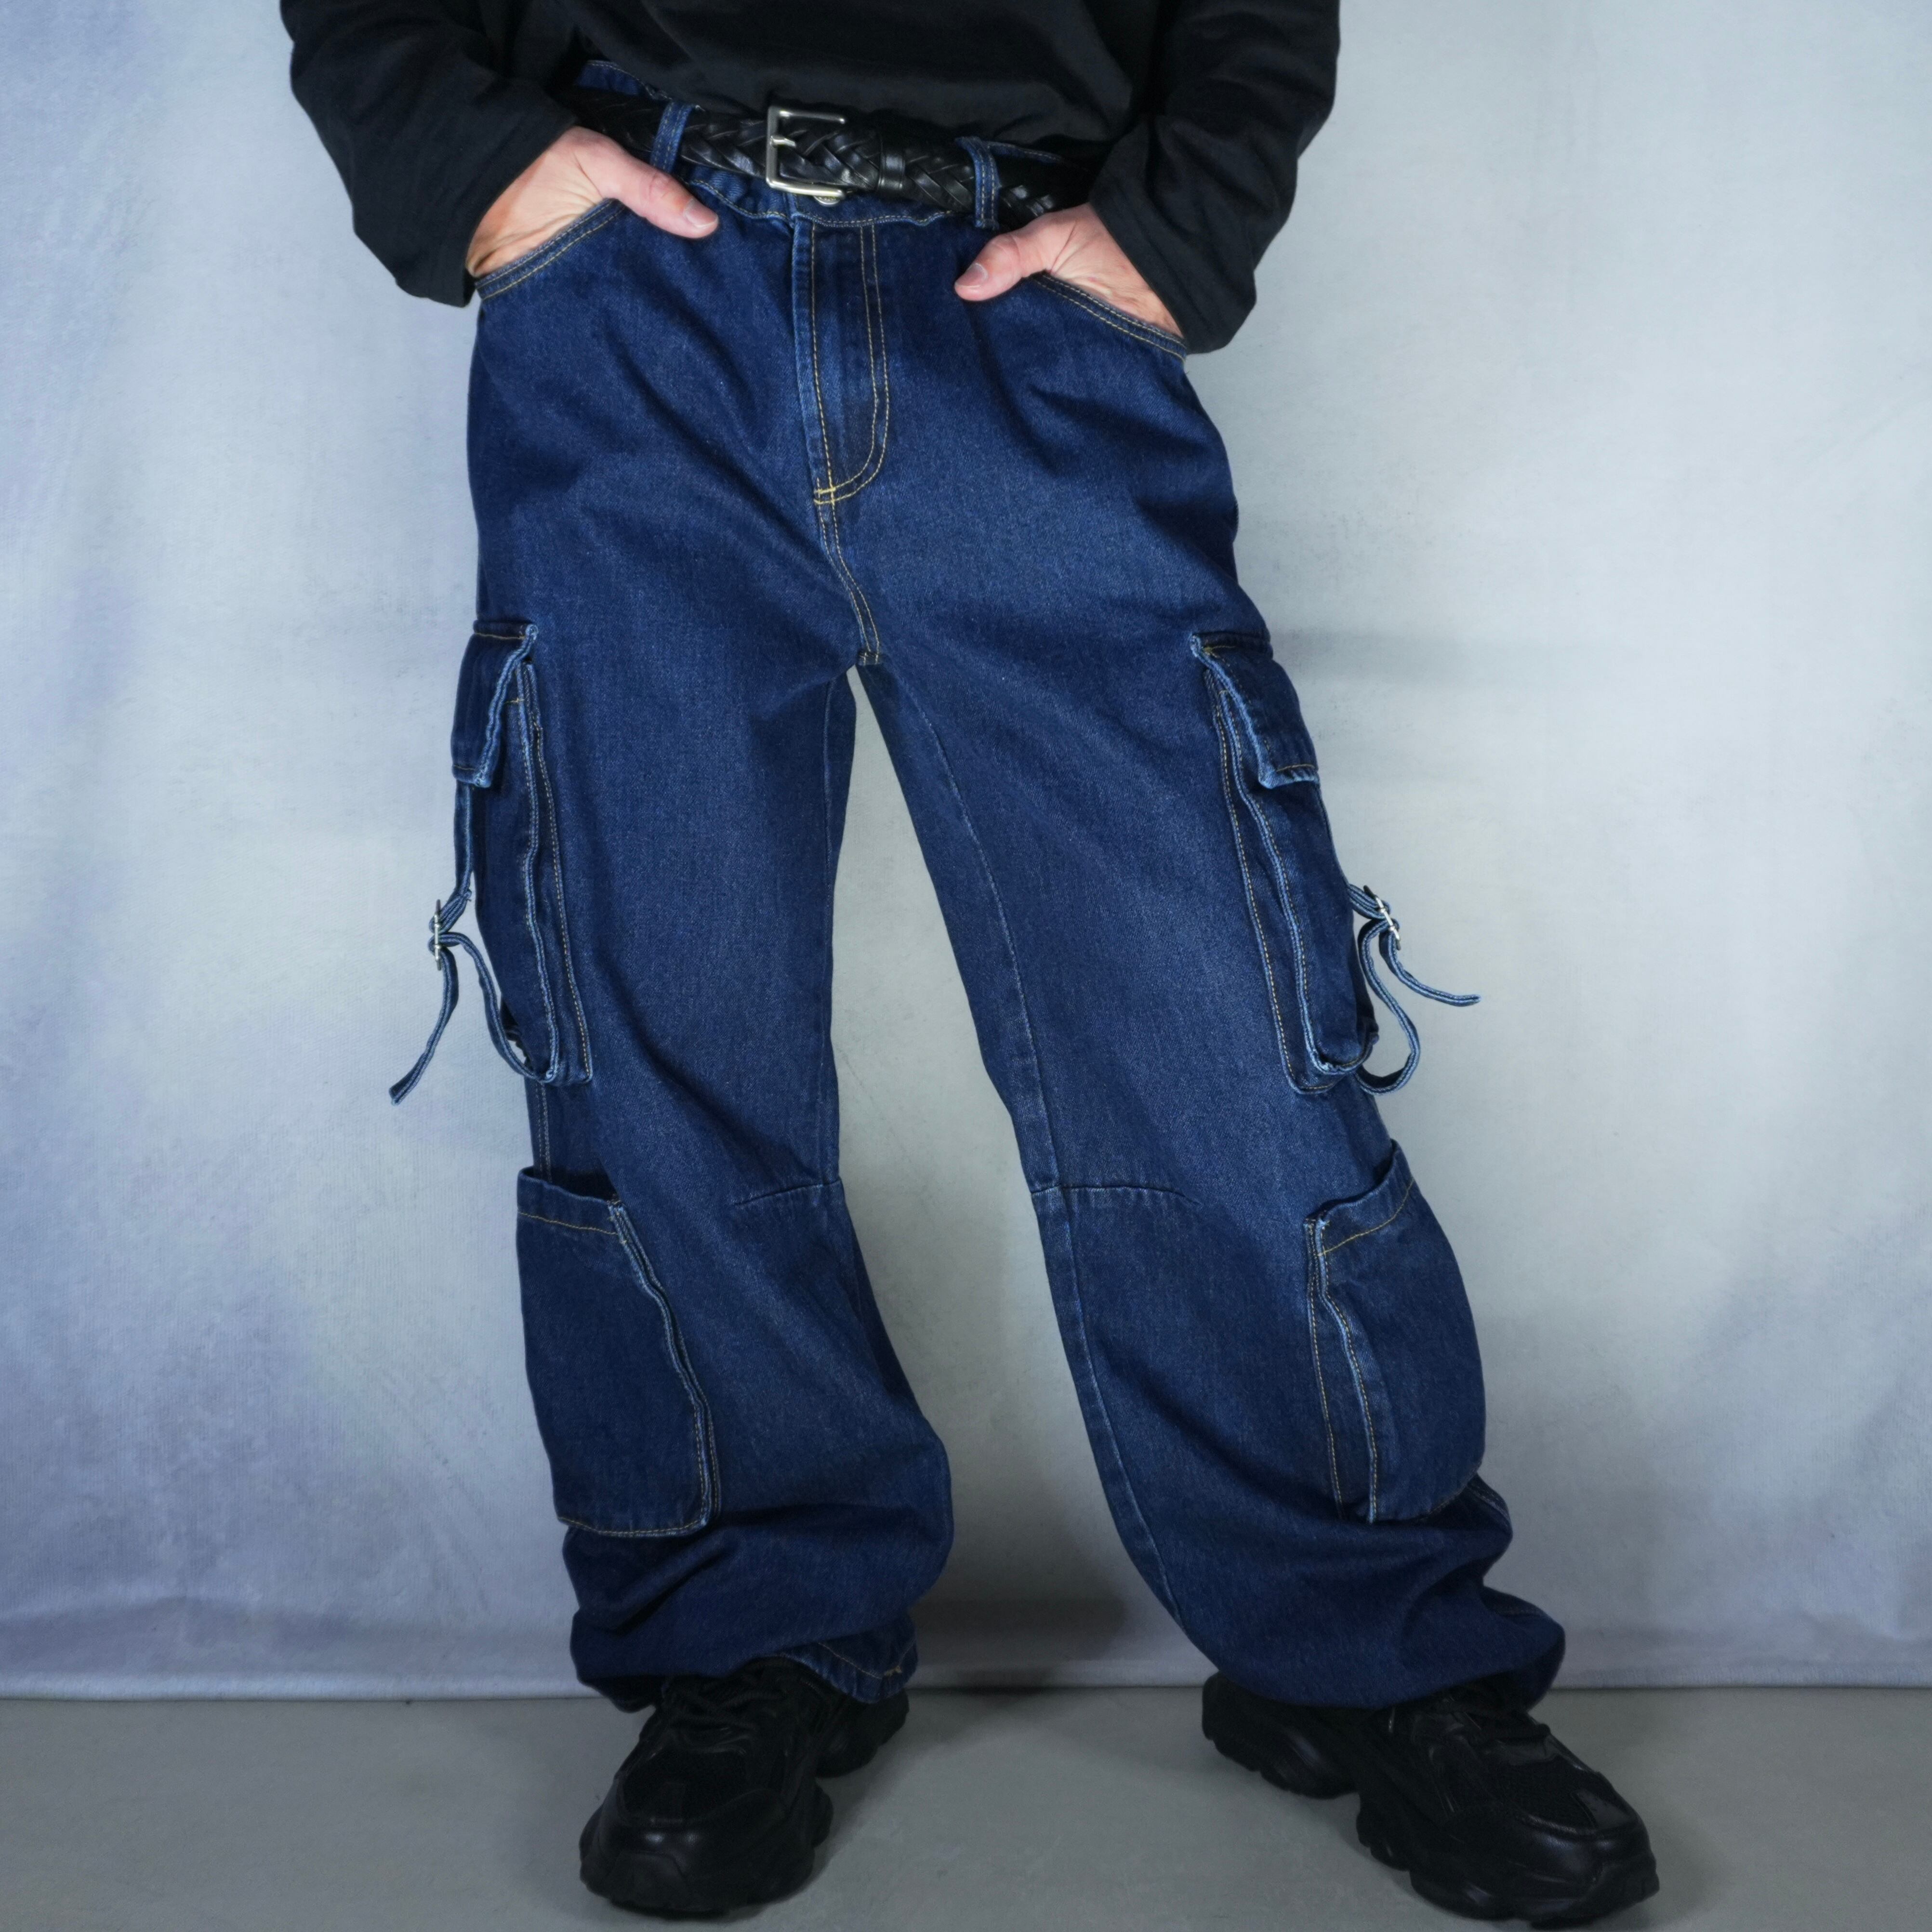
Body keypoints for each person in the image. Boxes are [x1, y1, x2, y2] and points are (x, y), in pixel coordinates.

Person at [282, 2, 1660, 1921]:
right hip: (631, 296)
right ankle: (749, 1633)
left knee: (1216, 1027)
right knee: (655, 1023)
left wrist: (1177, 224)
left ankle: (1370, 1644)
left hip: (1021, 293)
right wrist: (469, 162)